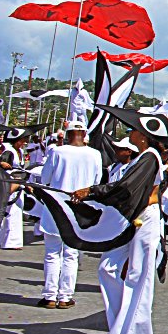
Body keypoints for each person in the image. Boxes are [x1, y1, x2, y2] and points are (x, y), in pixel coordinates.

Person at [71, 108, 168, 334]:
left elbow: (126, 188)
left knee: (139, 274)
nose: (130, 132)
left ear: (142, 135)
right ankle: (122, 320)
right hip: (131, 219)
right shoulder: (143, 157)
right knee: (107, 268)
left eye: (133, 129)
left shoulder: (149, 156)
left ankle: (136, 330)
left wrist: (91, 191)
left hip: (146, 219)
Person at [38, 120, 102, 309]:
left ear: (67, 134)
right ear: (84, 134)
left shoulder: (57, 152)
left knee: (52, 254)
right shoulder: (95, 154)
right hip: (79, 208)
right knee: (71, 254)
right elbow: (96, 181)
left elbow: (45, 179)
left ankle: (50, 295)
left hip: (55, 206)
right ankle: (65, 296)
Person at [0, 126, 34, 249]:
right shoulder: (8, 151)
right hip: (9, 185)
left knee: (16, 213)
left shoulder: (17, 151)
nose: (25, 142)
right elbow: (2, 167)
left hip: (18, 185)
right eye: (23, 139)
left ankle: (11, 241)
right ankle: (8, 241)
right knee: (9, 213)